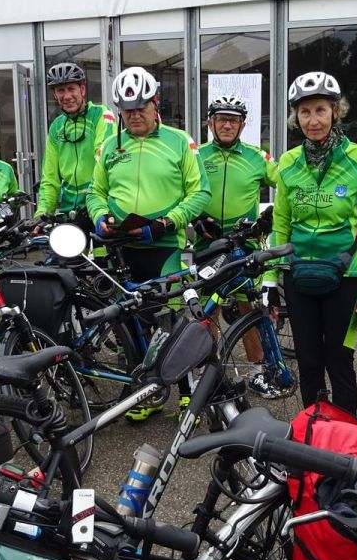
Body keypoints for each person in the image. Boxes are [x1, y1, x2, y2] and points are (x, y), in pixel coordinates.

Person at [86, 66, 210, 420]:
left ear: (156, 104)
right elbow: (95, 192)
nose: (134, 115)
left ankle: (186, 392)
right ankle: (145, 393)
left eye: (141, 107)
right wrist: (100, 217)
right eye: (127, 110)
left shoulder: (179, 141)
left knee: (169, 321)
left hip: (162, 245)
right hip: (122, 247)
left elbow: (199, 192)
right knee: (132, 324)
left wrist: (167, 222)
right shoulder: (110, 146)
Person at [261, 72, 357, 414]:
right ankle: (314, 434)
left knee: (339, 361)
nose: (313, 120)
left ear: (335, 111)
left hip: (345, 276)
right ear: (295, 117)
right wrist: (269, 279)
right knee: (309, 362)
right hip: (299, 274)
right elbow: (281, 223)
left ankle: (344, 437)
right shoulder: (288, 162)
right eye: (305, 112)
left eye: (320, 110)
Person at [195, 95, 281, 397]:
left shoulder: (257, 157)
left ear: (242, 125)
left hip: (244, 245)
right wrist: (193, 218)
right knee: (208, 310)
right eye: (221, 119)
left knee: (248, 308)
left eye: (233, 120)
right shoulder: (196, 155)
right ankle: (209, 372)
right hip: (208, 243)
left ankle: (257, 372)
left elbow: (288, 183)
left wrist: (275, 215)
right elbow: (182, 191)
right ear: (210, 123)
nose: (227, 125)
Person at [36, 62, 116, 227]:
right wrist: (43, 213)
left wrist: (95, 198)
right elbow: (50, 176)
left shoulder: (101, 114)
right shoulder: (56, 127)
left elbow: (103, 157)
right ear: (55, 95)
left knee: (103, 246)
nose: (67, 96)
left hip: (100, 209)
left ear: (82, 90)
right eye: (61, 90)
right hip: (69, 211)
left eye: (71, 89)